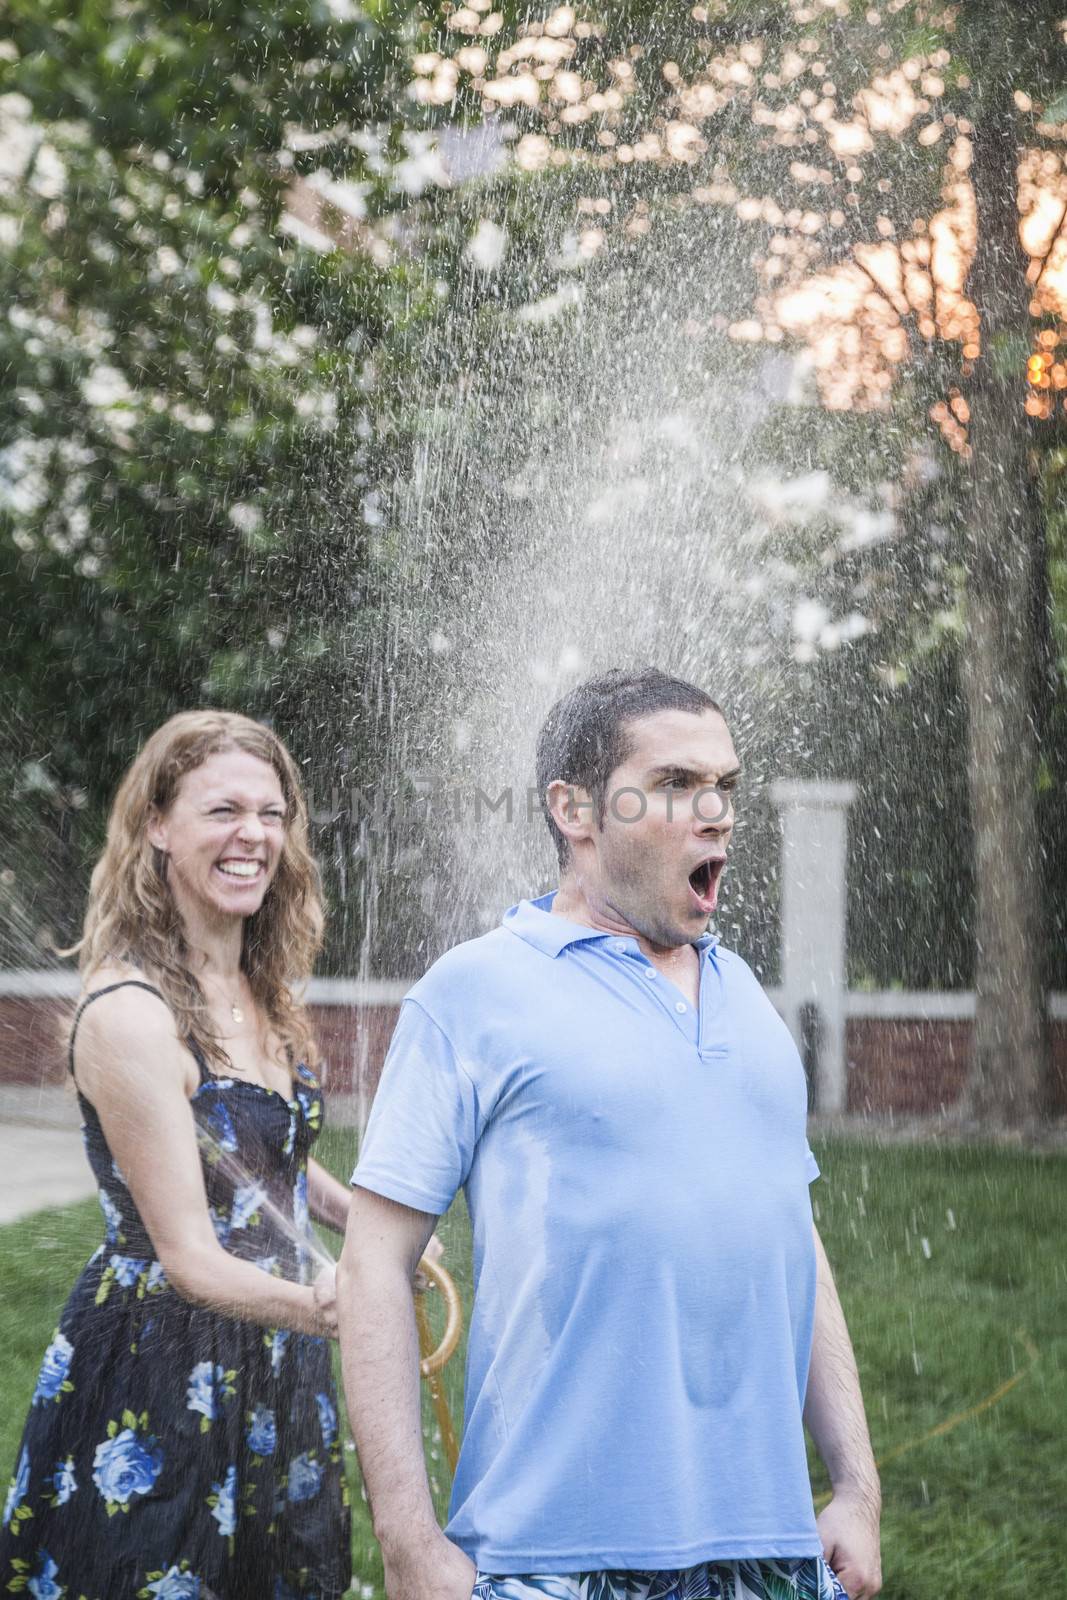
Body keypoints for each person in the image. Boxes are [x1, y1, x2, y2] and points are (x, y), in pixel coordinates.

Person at [337, 667, 883, 1600]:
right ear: (575, 810)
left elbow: (792, 1235)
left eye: (726, 787)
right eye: (675, 785)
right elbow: (373, 1264)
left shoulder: (747, 996)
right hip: (552, 1553)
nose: (715, 813)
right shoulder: (472, 993)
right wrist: (408, 1545)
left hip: (772, 1550)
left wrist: (856, 1489)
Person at [0, 710, 353, 1600]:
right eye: (223, 810)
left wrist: (378, 1226)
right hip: (166, 1365)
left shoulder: (260, 989)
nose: (255, 836)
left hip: (274, 1350)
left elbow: (262, 1161)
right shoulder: (130, 1015)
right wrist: (343, 1308)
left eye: (272, 814)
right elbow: (192, 1259)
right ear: (157, 825)